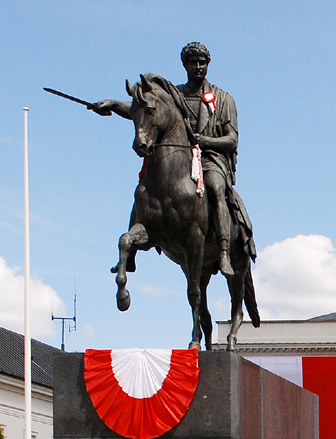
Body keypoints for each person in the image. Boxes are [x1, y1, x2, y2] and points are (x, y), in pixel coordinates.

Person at [93, 42, 240, 277]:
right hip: (177, 158)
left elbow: (232, 139)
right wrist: (112, 103)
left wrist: (204, 141)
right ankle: (131, 250)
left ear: (208, 65)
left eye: (202, 63)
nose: (198, 66)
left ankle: (223, 251)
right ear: (185, 65)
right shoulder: (174, 95)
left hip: (210, 158)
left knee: (214, 186)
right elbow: (143, 108)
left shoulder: (223, 99)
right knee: (145, 189)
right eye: (193, 62)